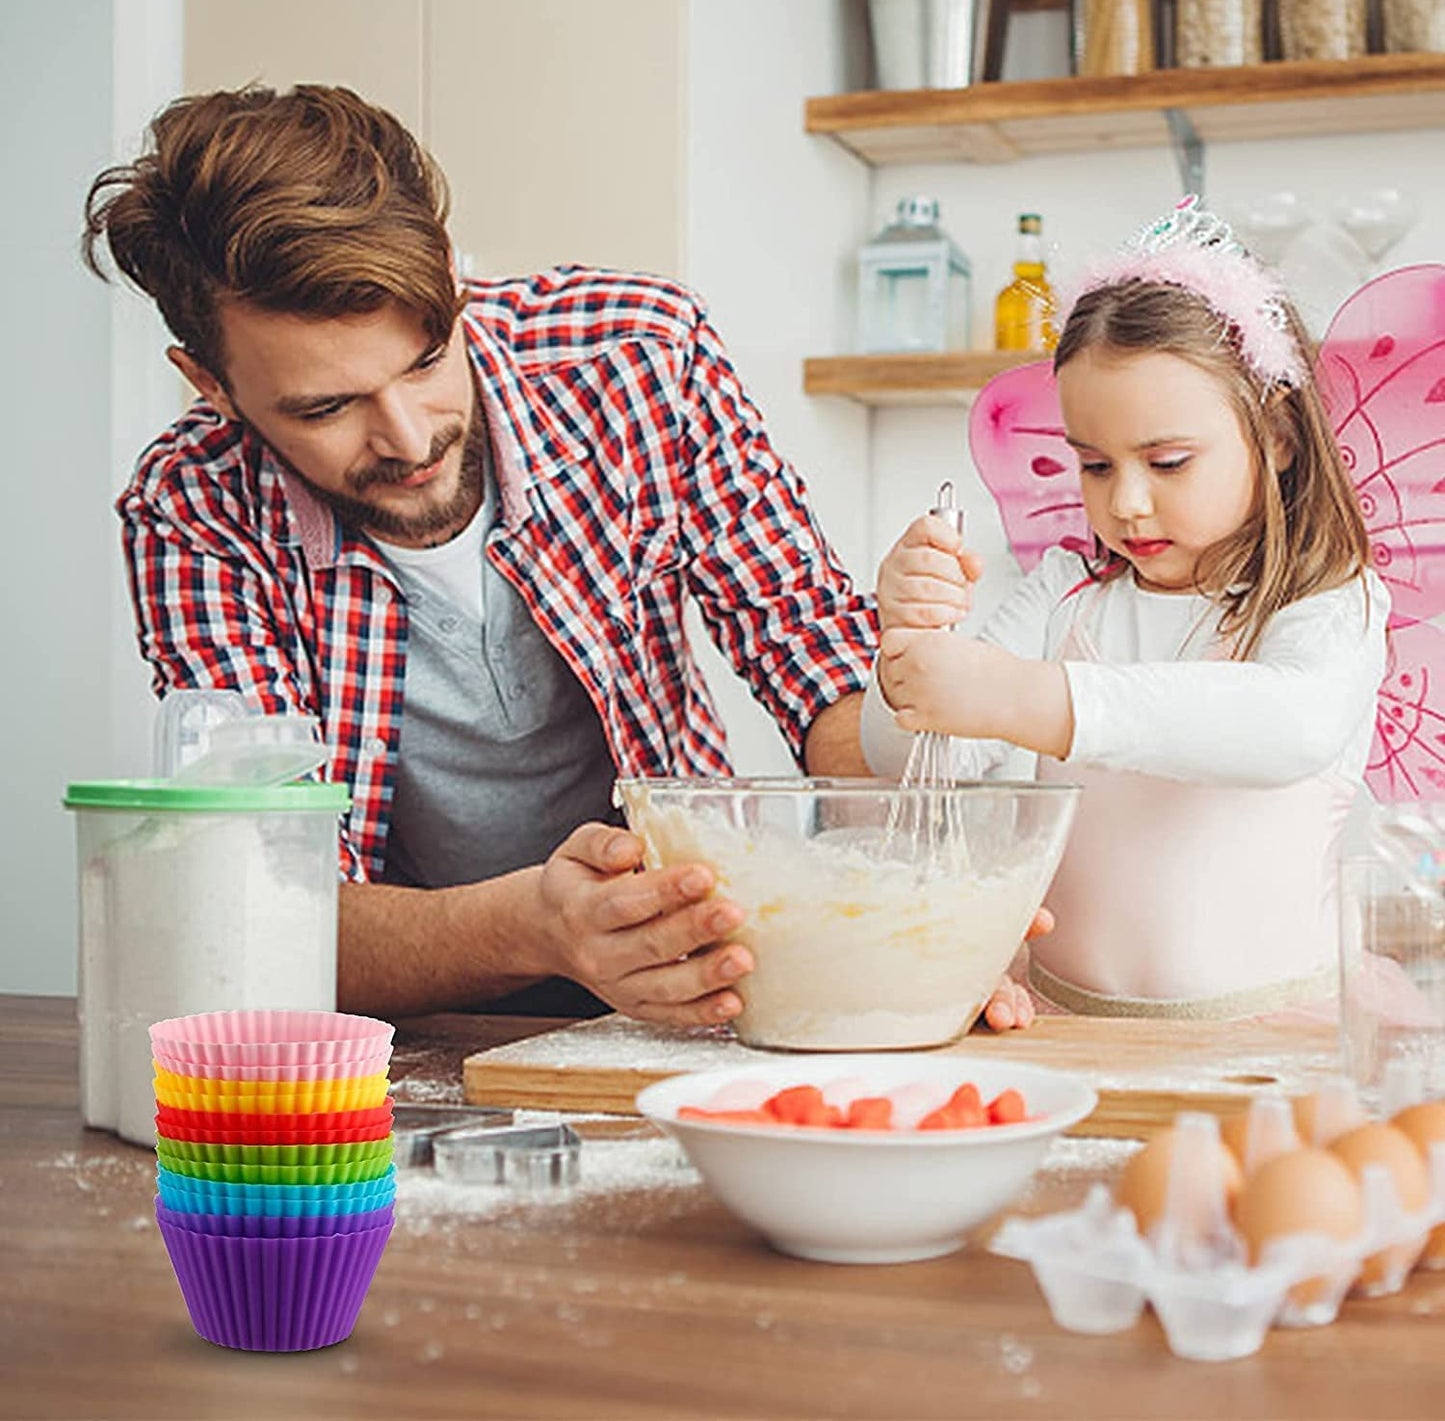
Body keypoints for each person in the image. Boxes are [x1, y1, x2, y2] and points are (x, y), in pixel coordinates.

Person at [84, 83, 1038, 1031]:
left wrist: (934, 908)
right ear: (209, 381)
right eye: (326, 408)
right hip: (401, 1015)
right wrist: (536, 928)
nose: (410, 438)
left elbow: (815, 667)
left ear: (451, 278)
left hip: (689, 965)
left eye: (424, 361)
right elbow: (265, 908)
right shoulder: (190, 505)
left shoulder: (638, 359)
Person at [863, 199, 1388, 1019]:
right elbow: (906, 757)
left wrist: (1028, 697)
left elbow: (1290, 728)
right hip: (1069, 1024)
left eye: (1167, 461)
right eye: (1095, 465)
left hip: (1280, 1033)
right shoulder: (1065, 592)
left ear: (1279, 435)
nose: (1127, 502)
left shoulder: (1328, 599)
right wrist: (910, 644)